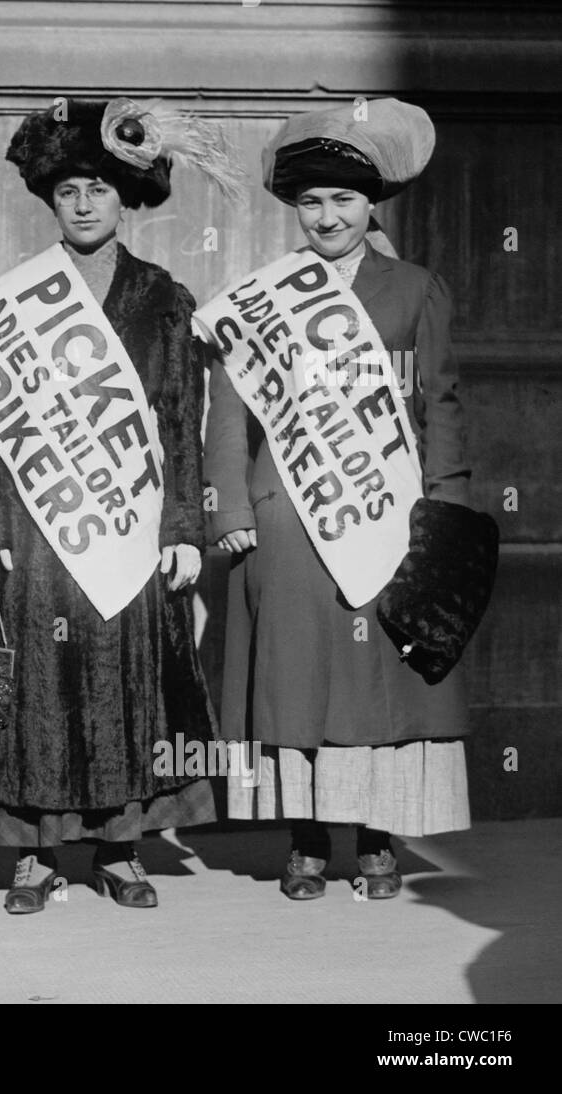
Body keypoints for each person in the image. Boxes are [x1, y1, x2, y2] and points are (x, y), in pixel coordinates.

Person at [0, 99, 235, 914]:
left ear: (126, 201)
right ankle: (38, 855)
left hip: (130, 526)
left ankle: (119, 847)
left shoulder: (163, 297)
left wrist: (185, 528)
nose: (84, 203)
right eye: (71, 189)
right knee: (39, 692)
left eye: (101, 189)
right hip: (37, 535)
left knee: (127, 689)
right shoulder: (12, 299)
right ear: (52, 199)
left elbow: (182, 418)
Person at [203, 98, 471, 900]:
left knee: (378, 678)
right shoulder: (261, 297)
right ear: (296, 208)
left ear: (371, 206)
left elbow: (442, 405)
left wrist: (444, 508)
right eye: (312, 201)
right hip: (286, 517)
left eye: (344, 200)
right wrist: (232, 510)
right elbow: (229, 411)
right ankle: (308, 841)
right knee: (298, 678)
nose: (328, 216)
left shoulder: (417, 289)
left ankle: (379, 841)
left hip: (388, 514)